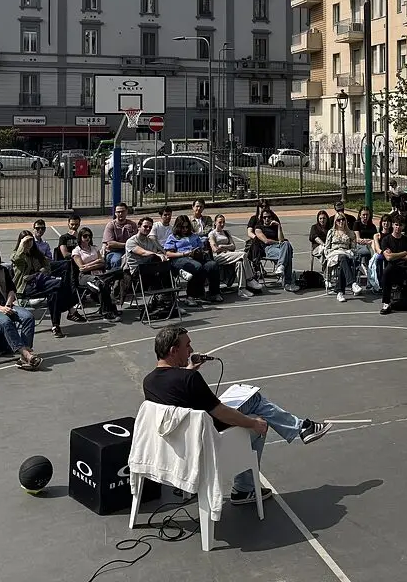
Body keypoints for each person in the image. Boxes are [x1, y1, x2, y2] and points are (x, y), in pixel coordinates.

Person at [142, 325, 331, 506]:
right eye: (187, 346)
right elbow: (221, 412)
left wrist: (190, 369)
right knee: (257, 411)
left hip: (179, 444)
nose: (191, 350)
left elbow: (174, 395)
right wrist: (253, 423)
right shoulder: (189, 380)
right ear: (174, 350)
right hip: (208, 440)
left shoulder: (149, 382)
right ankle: (245, 486)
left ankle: (299, 428)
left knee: (251, 405)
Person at [11, 229, 66, 338]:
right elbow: (17, 258)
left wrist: (41, 271)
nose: (29, 243)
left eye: (31, 240)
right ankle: (70, 304)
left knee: (54, 292)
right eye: (26, 241)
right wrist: (23, 245)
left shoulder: (37, 254)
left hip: (40, 283)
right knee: (59, 285)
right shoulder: (16, 254)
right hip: (24, 287)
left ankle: (56, 325)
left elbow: (47, 267)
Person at [164, 214, 223, 304]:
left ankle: (214, 293)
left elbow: (202, 248)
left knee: (212, 265)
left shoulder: (194, 236)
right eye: (182, 227)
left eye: (187, 227)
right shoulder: (173, 237)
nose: (185, 229)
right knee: (196, 266)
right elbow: (168, 253)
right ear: (178, 227)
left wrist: (200, 252)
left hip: (195, 257)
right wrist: (184, 254)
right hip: (179, 258)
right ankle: (190, 296)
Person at [72, 226, 120, 322]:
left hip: (99, 273)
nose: (87, 238)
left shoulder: (94, 248)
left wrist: (92, 264)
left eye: (89, 236)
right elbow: (81, 268)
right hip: (85, 277)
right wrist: (96, 262)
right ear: (80, 237)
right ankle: (107, 312)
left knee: (118, 271)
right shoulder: (77, 251)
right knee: (101, 283)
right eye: (85, 236)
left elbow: (102, 262)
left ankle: (109, 305)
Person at [249, 205, 296, 292]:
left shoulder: (274, 226)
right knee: (287, 252)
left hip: (279, 247)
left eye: (269, 217)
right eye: (264, 217)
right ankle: (287, 283)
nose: (266, 219)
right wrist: (278, 243)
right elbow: (266, 241)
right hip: (269, 249)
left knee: (286, 244)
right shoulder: (258, 228)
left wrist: (278, 226)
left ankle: (281, 266)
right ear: (262, 218)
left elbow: (281, 239)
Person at [208, 214, 257, 297]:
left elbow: (233, 247)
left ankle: (242, 289)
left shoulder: (226, 232)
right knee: (243, 254)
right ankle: (249, 279)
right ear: (215, 223)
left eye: (223, 222)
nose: (222, 224)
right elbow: (215, 249)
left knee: (240, 263)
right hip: (218, 257)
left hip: (228, 254)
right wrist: (225, 248)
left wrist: (222, 246)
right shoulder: (212, 234)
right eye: (220, 222)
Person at [323, 214, 360, 302]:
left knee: (343, 261)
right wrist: (330, 254)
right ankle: (352, 283)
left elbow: (354, 248)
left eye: (343, 219)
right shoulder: (331, 232)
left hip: (347, 254)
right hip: (334, 254)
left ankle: (340, 292)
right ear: (335, 221)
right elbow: (327, 248)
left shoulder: (351, 233)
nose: (341, 222)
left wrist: (350, 252)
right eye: (338, 220)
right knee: (342, 258)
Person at [102, 202, 139, 272]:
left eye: (122, 211)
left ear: (126, 212)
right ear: (115, 213)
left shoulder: (132, 224)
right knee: (116, 260)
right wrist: (128, 245)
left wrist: (131, 232)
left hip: (130, 251)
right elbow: (110, 243)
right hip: (115, 251)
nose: (120, 214)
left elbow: (137, 241)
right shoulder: (111, 225)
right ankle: (116, 280)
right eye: (118, 212)